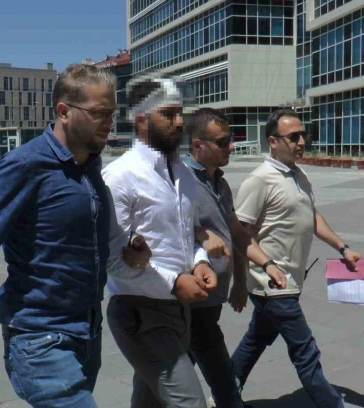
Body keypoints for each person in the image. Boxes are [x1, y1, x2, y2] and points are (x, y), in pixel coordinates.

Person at [0, 64, 144, 407]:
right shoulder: (24, 166)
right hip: (39, 338)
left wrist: (131, 254)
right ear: (64, 111)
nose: (109, 121)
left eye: (112, 112)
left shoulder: (91, 169)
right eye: (99, 113)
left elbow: (88, 250)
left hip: (87, 334)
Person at [102, 75, 222, 408]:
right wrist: (174, 281)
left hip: (179, 311)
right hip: (140, 313)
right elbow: (112, 260)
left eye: (180, 113)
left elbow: (185, 236)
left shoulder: (182, 173)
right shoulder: (120, 177)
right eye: (168, 114)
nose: (180, 122)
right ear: (142, 119)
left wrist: (199, 262)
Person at [230, 109, 362, 408]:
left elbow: (311, 215)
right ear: (273, 141)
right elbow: (240, 234)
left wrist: (342, 247)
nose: (302, 141)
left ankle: (225, 394)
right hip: (273, 285)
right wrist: (245, 278)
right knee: (305, 351)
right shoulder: (259, 180)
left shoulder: (298, 175)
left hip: (291, 278)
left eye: (303, 135)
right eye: (294, 137)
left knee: (255, 340)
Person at [182, 107, 247, 408]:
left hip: (213, 300)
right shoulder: (181, 182)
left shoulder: (220, 182)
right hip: (194, 302)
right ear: (198, 144)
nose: (230, 147)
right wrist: (201, 234)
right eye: (222, 142)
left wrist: (242, 281)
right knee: (225, 384)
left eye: (229, 140)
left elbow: (236, 233)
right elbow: (167, 229)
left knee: (168, 375)